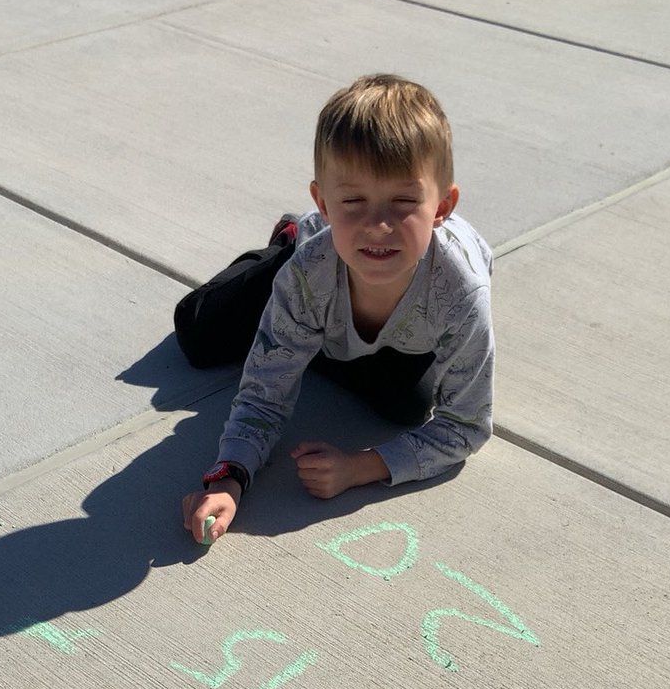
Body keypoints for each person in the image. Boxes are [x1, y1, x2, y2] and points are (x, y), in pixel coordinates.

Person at [176, 73, 495, 544]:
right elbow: (265, 393)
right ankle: (288, 238)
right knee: (199, 335)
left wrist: (360, 467)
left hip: (394, 321)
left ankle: (317, 339)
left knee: (406, 406)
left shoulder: (460, 295)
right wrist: (229, 477)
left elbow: (466, 423)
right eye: (353, 201)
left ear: (443, 206)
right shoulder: (308, 273)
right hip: (318, 271)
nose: (378, 225)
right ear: (324, 202)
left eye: (404, 202)